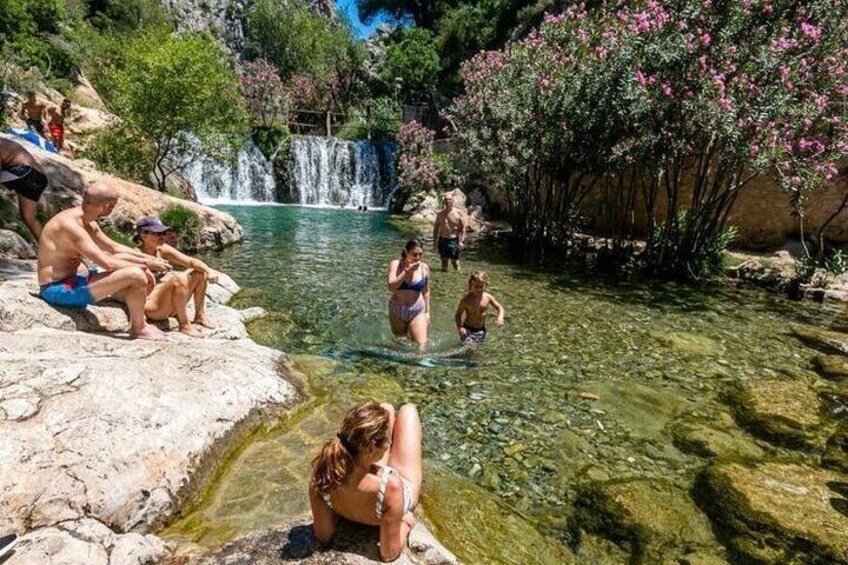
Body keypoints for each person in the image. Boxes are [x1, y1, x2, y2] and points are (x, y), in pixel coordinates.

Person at [37, 179, 172, 340]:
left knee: (132, 270)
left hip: (74, 280)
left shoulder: (87, 222)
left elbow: (114, 248)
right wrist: (145, 265)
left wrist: (149, 259)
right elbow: (107, 263)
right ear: (108, 206)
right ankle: (139, 328)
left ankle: (139, 318)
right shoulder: (71, 226)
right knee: (136, 275)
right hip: (57, 290)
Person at [309, 401, 423, 562]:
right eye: (387, 439)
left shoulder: (323, 473)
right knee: (408, 411)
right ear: (371, 449)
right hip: (387, 491)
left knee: (386, 409)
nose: (389, 442)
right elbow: (388, 554)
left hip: (367, 477)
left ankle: (384, 419)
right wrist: (406, 524)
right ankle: (399, 414)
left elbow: (324, 536)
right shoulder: (392, 487)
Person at [134, 216, 217, 337]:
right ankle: (184, 325)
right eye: (157, 233)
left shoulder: (162, 249)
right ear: (143, 235)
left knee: (200, 273)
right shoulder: (135, 254)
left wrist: (208, 270)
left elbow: (190, 261)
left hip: (169, 299)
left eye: (163, 232)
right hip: (152, 306)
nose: (162, 236)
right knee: (179, 279)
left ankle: (200, 315)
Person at [0, 137, 48, 239]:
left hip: (26, 172)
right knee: (29, 218)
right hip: (39, 177)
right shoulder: (5, 142)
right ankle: (50, 249)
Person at [387, 239, 430, 346]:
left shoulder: (424, 268)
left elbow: (426, 291)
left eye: (420, 254)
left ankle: (422, 362)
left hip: (417, 310)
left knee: (421, 344)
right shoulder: (396, 264)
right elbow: (391, 287)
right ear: (406, 252)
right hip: (397, 309)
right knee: (400, 343)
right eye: (414, 254)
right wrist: (406, 271)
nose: (418, 258)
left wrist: (428, 313)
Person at [454, 270, 505, 348]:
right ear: (471, 285)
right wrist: (460, 327)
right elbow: (458, 315)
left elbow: (499, 307)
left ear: (485, 285)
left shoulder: (488, 297)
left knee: (475, 349)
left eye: (481, 287)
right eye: (476, 287)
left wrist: (500, 318)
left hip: (481, 330)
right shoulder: (466, 300)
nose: (479, 290)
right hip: (468, 329)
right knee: (471, 348)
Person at [432, 193, 467, 272]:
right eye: (446, 200)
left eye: (449, 199)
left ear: (453, 201)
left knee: (455, 262)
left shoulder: (458, 213)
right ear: (443, 201)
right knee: (444, 262)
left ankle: (457, 277)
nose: (448, 201)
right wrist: (434, 242)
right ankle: (444, 278)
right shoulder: (440, 214)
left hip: (454, 240)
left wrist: (461, 241)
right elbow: (436, 229)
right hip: (442, 240)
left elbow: (463, 228)